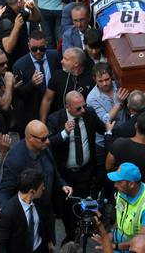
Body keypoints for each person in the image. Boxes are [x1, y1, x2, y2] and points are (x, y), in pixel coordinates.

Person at [0, 120, 72, 240]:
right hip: (29, 216)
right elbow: (5, 190)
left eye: (47, 137)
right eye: (43, 139)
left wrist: (62, 184)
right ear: (30, 138)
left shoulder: (44, 146)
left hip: (47, 211)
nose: (48, 141)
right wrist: (6, 214)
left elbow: (52, 169)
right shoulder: (15, 159)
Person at [47, 91, 105, 242]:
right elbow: (49, 142)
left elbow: (103, 128)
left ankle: (84, 232)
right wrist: (65, 132)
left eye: (84, 106)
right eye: (78, 108)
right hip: (65, 174)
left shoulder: (89, 114)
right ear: (68, 107)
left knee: (85, 203)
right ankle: (71, 236)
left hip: (85, 171)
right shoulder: (55, 118)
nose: (83, 110)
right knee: (67, 208)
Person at [13, 30, 61, 133]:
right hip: (31, 112)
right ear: (29, 46)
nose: (38, 52)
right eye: (34, 49)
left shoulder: (54, 56)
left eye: (42, 48)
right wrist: (32, 84)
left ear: (46, 45)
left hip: (54, 108)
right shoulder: (20, 65)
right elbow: (18, 95)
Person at [0, 169, 53, 253]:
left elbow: (43, 222)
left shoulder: (39, 200)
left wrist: (49, 242)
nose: (44, 188)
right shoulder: (8, 212)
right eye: (41, 187)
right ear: (32, 191)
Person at [108, 162, 145, 253]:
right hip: (119, 246)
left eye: (119, 182)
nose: (115, 185)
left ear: (131, 184)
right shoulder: (123, 192)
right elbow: (120, 214)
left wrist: (115, 246)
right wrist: (112, 233)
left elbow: (142, 243)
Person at [39, 47, 94, 121]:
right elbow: (47, 99)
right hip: (60, 122)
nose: (62, 61)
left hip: (84, 120)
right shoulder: (58, 75)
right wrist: (42, 122)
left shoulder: (91, 79)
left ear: (76, 63)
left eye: (66, 59)